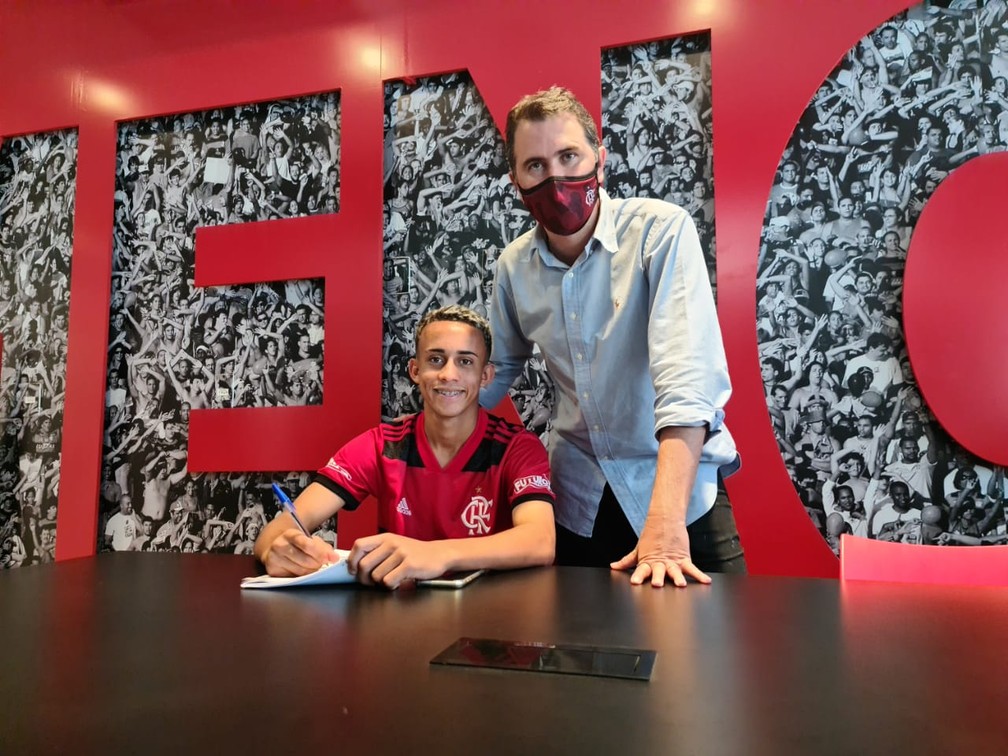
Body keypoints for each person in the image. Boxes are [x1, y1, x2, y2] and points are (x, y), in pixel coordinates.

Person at [481, 86, 743, 588]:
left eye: (569, 156)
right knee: (581, 659)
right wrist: (428, 421)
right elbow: (497, 370)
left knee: (710, 661)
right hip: (579, 503)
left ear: (600, 161)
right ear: (515, 180)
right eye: (535, 165)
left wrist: (664, 529)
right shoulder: (513, 266)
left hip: (678, 503)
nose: (555, 178)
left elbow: (688, 382)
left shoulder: (661, 231)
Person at [254, 305, 555, 588]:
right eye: (435, 359)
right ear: (414, 370)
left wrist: (437, 554)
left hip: (490, 621)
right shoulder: (381, 444)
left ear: (485, 375)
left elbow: (540, 541)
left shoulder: (517, 448)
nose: (449, 374)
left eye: (465, 362)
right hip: (399, 617)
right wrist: (278, 551)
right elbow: (278, 530)